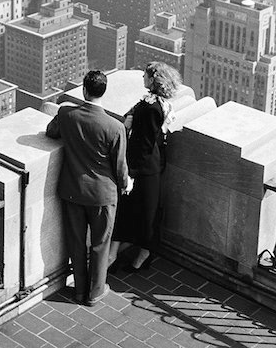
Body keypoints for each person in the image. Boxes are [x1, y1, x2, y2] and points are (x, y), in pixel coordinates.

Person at [46, 70, 130, 305]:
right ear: (104, 92)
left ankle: (79, 290)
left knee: (76, 241)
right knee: (100, 244)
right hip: (103, 194)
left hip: (73, 190)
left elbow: (51, 132)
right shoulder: (116, 127)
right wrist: (126, 183)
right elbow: (121, 166)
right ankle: (95, 292)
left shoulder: (66, 114)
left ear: (84, 90)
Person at [108, 61, 182, 272]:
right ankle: (132, 252)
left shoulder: (152, 108)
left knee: (144, 212)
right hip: (147, 166)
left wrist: (131, 172)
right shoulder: (154, 103)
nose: (142, 78)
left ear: (153, 79)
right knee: (138, 211)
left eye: (145, 75)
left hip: (145, 168)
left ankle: (143, 253)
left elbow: (145, 143)